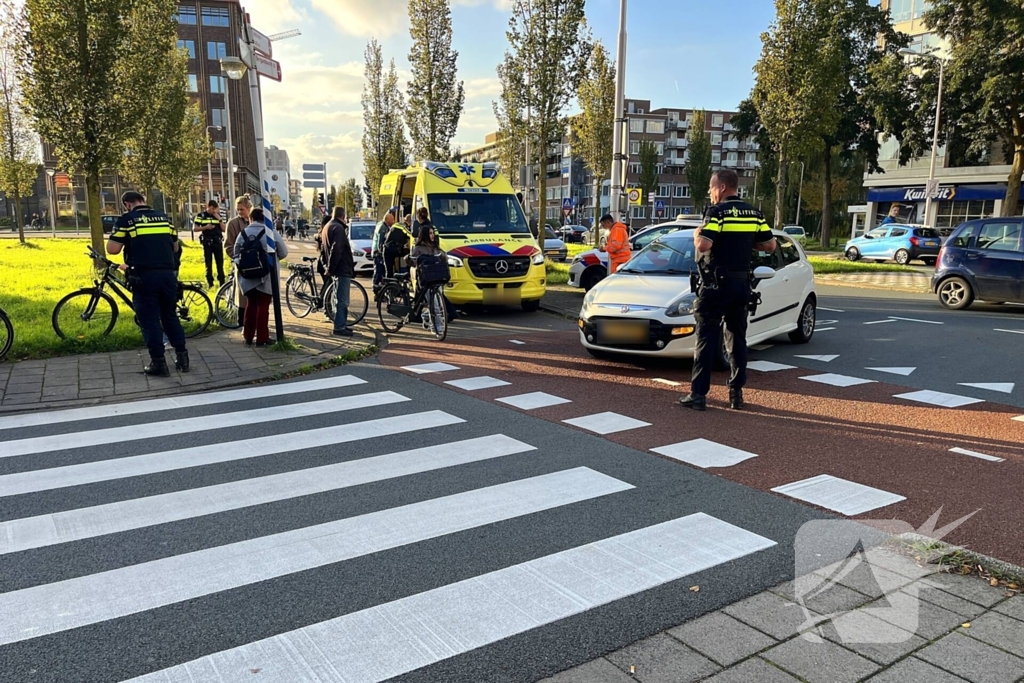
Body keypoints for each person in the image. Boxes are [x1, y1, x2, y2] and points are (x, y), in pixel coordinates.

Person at [680, 169, 776, 412]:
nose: (710, 191)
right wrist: (745, 243)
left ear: (722, 187)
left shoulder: (717, 212)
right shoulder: (754, 213)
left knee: (706, 339)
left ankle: (698, 395)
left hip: (715, 286)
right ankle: (736, 394)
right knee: (737, 340)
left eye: (711, 187)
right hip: (741, 285)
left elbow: (703, 244)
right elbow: (770, 245)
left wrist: (697, 234)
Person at [106, 191, 188, 377]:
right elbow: (175, 246)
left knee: (149, 320)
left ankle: (159, 363)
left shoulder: (127, 220)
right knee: (170, 316)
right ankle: (183, 359)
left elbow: (112, 249)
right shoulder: (164, 218)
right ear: (143, 200)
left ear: (127, 204)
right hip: (168, 275)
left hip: (144, 276)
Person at [234, 208, 288, 347]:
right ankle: (262, 338)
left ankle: (248, 336)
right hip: (266, 275)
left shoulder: (243, 233)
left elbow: (236, 253)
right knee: (263, 305)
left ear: (251, 218)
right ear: (265, 219)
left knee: (251, 304)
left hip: (248, 276)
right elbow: (283, 252)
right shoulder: (270, 233)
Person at [322, 206, 356, 337]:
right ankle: (340, 327)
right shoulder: (338, 228)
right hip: (342, 269)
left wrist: (328, 267)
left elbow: (324, 249)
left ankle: (340, 323)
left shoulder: (327, 227)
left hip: (336, 270)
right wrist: (331, 267)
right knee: (342, 300)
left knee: (338, 298)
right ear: (342, 216)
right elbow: (337, 249)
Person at [225, 195, 253, 324]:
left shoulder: (255, 222)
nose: (239, 212)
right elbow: (228, 246)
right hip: (242, 265)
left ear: (249, 208)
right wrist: (238, 259)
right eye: (238, 209)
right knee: (242, 295)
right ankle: (243, 322)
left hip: (257, 265)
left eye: (242, 209)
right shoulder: (233, 223)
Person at [193, 200, 226, 289]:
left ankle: (222, 283)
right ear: (208, 207)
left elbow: (224, 229)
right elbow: (195, 229)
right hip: (207, 242)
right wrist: (206, 227)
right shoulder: (201, 215)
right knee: (208, 263)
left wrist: (219, 219)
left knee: (220, 263)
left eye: (215, 209)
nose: (213, 211)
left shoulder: (218, 216)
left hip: (217, 242)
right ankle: (210, 283)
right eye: (212, 209)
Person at [372, 207, 398, 292]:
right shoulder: (383, 228)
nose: (393, 221)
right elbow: (380, 243)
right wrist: (382, 254)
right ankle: (376, 290)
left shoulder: (382, 225)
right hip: (378, 253)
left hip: (378, 252)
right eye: (392, 220)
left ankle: (379, 290)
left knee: (381, 272)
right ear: (388, 220)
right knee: (379, 272)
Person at [384, 209, 414, 278]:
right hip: (393, 249)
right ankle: (408, 271)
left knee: (389, 271)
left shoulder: (396, 224)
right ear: (410, 222)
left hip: (387, 249)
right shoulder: (403, 226)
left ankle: (389, 283)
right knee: (411, 254)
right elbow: (410, 235)